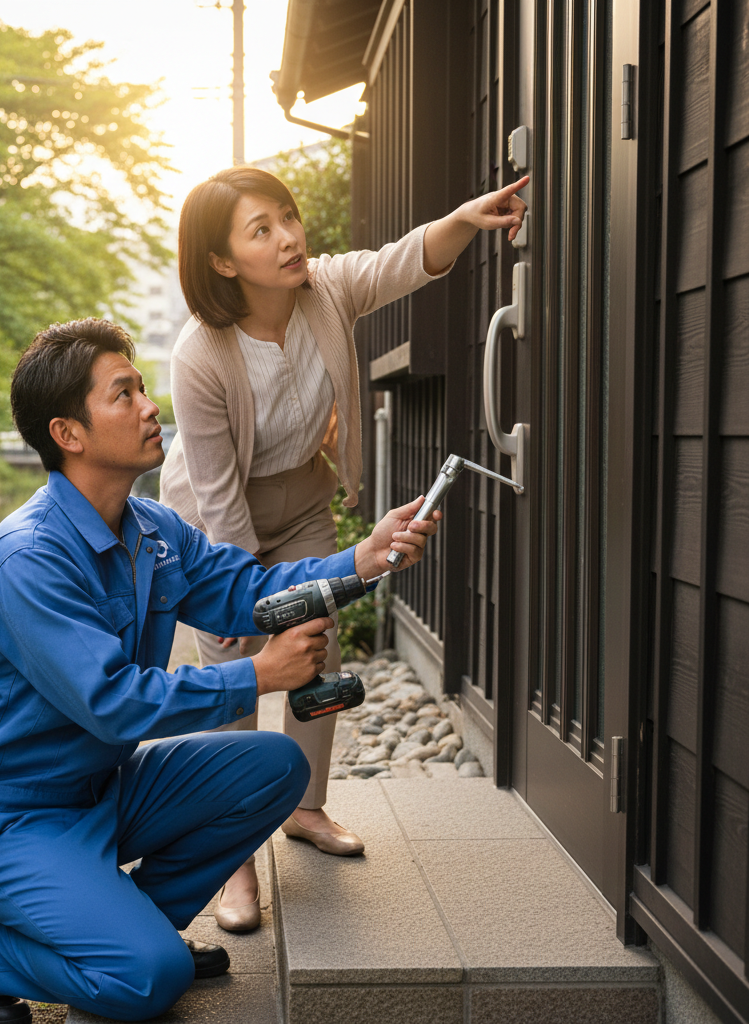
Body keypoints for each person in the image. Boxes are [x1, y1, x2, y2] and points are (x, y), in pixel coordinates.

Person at [0, 318, 440, 1024]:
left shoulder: (152, 529)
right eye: (123, 394)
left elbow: (249, 592)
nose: (149, 407)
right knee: (148, 980)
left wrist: (366, 558)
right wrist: (260, 676)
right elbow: (111, 704)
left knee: (273, 767)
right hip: (7, 817)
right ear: (68, 433)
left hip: (96, 791)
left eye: (142, 388)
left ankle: (127, 926)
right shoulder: (28, 559)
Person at [159, 166, 528, 931]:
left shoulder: (325, 290)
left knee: (315, 650)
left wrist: (464, 216)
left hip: (300, 499)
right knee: (232, 666)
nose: (289, 236)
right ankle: (233, 863)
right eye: (261, 229)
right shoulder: (200, 355)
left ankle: (306, 807)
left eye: (286, 217)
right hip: (214, 515)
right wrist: (239, 599)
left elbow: (402, 259)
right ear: (223, 261)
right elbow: (217, 492)